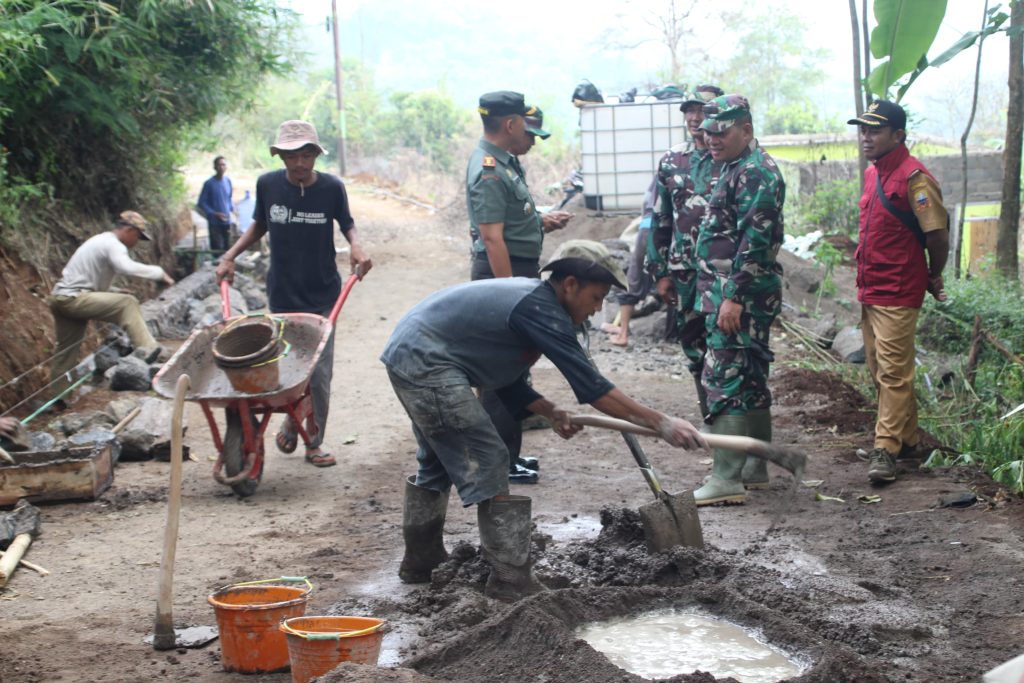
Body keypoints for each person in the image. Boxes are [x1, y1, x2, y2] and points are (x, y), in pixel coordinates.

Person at [381, 240, 705, 601]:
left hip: (411, 354)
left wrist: (550, 410)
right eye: (596, 297)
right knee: (490, 456)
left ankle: (421, 562)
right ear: (570, 285)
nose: (598, 309)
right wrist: (662, 423)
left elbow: (504, 380)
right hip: (426, 361)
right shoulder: (539, 309)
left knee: (437, 461)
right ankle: (510, 579)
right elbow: (594, 389)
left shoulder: (534, 304)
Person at [216, 120, 372, 468]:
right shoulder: (268, 184)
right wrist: (230, 256)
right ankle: (292, 414)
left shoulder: (331, 188)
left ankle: (314, 442)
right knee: (283, 366)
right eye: (291, 156)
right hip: (282, 293)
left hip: (323, 295)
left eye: (306, 155)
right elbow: (260, 224)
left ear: (316, 154)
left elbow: (347, 223)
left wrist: (357, 247)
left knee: (318, 372)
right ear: (281, 157)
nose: (299, 163)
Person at [466, 91, 572, 484]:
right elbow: (492, 238)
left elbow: (508, 223)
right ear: (511, 124)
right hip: (502, 275)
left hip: (513, 271)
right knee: (498, 375)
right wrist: (509, 293)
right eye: (525, 126)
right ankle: (499, 462)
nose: (529, 135)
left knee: (512, 371)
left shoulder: (504, 163)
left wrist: (538, 223)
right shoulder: (490, 169)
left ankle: (509, 455)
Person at [690, 95, 786, 506]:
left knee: (724, 379)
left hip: (739, 296)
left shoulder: (755, 172)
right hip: (739, 294)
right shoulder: (738, 166)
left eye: (721, 132)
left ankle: (726, 478)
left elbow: (755, 241)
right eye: (708, 132)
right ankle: (753, 468)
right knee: (749, 380)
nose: (711, 139)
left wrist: (733, 296)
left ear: (746, 130)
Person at [847, 100, 949, 484]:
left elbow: (937, 235)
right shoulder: (873, 174)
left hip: (899, 289)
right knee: (879, 370)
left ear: (898, 135)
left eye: (874, 130)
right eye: (863, 129)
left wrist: (933, 274)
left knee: (893, 373)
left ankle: (885, 449)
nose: (866, 137)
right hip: (870, 288)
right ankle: (907, 441)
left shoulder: (915, 178)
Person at [647, 84, 723, 414]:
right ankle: (709, 412)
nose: (694, 117)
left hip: (723, 271)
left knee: (725, 342)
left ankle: (729, 414)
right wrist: (659, 271)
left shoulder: (731, 158)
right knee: (692, 343)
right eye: (689, 110)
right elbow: (659, 218)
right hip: (685, 271)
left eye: (701, 110)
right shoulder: (672, 160)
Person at [49, 211, 174, 397]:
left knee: (66, 351)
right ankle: (150, 351)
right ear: (130, 230)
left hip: (61, 298)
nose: (136, 242)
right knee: (128, 303)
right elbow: (125, 267)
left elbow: (88, 281)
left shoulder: (100, 241)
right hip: (74, 298)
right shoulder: (113, 244)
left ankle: (59, 398)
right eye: (137, 236)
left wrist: (114, 291)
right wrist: (159, 272)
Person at [603, 179, 655, 348]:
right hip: (661, 228)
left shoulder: (666, 172)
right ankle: (623, 332)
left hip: (650, 227)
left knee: (634, 279)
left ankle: (623, 333)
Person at [197, 156, 235, 253]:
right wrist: (214, 213)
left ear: (226, 167)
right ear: (214, 167)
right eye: (219, 165)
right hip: (214, 223)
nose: (221, 167)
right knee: (217, 249)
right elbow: (201, 203)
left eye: (223, 165)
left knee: (228, 248)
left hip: (227, 222)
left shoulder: (228, 181)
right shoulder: (209, 183)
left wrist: (232, 210)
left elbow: (229, 198)